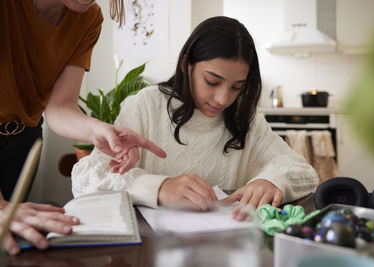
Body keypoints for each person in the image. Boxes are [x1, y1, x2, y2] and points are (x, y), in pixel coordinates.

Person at [72, 16, 319, 221]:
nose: (223, 99)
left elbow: (303, 171)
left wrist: (271, 181)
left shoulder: (247, 119)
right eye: (212, 81)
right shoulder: (145, 105)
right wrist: (158, 188)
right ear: (185, 64)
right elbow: (86, 178)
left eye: (237, 87)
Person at [0, 0, 166, 255]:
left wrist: (98, 130)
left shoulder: (88, 19)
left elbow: (60, 107)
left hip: (23, 140)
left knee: (10, 241)